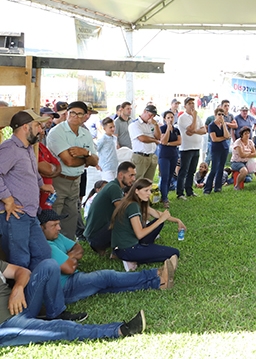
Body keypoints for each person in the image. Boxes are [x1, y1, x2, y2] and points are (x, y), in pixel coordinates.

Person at [40, 209, 175, 304]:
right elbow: (69, 268)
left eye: (58, 224)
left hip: (72, 278)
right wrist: (70, 260)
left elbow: (79, 249)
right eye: (53, 225)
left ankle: (158, 283)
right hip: (66, 287)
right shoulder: (46, 246)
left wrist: (67, 258)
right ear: (41, 228)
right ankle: (155, 273)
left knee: (107, 286)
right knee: (107, 277)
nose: (58, 228)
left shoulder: (57, 237)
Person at [0, 258, 146, 346]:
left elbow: (21, 271)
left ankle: (55, 313)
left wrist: (18, 288)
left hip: (20, 306)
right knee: (63, 328)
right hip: (6, 325)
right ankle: (119, 330)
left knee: (49, 266)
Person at [0, 109, 56, 269]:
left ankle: (34, 292)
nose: (40, 129)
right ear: (25, 127)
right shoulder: (10, 148)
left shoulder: (28, 148)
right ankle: (19, 293)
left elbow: (32, 171)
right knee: (20, 260)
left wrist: (41, 184)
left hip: (30, 213)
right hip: (15, 215)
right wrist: (7, 199)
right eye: (37, 125)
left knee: (43, 253)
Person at [46, 101, 99, 240]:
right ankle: (52, 252)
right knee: (53, 217)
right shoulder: (57, 132)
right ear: (66, 114)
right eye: (72, 113)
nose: (75, 116)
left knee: (71, 217)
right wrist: (86, 159)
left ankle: (68, 250)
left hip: (76, 180)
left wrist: (85, 152)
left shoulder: (85, 133)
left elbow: (95, 161)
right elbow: (68, 161)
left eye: (79, 114)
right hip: (58, 180)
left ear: (85, 116)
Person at [110, 178, 182, 269]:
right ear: (136, 191)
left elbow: (159, 214)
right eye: (146, 190)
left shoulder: (135, 202)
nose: (149, 193)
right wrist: (161, 219)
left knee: (158, 221)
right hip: (128, 249)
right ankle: (132, 259)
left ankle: (144, 251)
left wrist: (177, 220)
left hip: (126, 245)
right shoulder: (133, 206)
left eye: (150, 190)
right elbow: (140, 234)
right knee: (175, 252)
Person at [84, 162, 138, 254]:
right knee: (127, 220)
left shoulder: (114, 186)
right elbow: (124, 211)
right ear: (121, 175)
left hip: (93, 235)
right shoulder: (114, 188)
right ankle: (120, 251)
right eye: (131, 175)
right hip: (95, 237)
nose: (133, 179)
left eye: (134, 175)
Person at [176, 97, 205, 200]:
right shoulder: (183, 117)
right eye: (189, 103)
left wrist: (194, 131)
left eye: (193, 103)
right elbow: (191, 128)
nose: (192, 105)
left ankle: (189, 190)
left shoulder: (198, 117)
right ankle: (180, 193)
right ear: (185, 106)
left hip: (196, 147)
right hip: (186, 148)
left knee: (192, 170)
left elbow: (204, 130)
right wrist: (194, 117)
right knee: (184, 170)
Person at [156, 111, 181, 208]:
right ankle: (165, 198)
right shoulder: (162, 129)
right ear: (165, 119)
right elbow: (163, 141)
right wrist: (168, 130)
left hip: (173, 155)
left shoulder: (176, 130)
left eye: (172, 117)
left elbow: (179, 141)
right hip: (164, 156)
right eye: (168, 117)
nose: (170, 119)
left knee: (170, 176)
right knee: (164, 177)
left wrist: (170, 144)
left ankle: (165, 195)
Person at [205, 108, 231, 194]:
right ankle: (207, 188)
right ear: (215, 115)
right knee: (214, 168)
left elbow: (227, 135)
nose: (221, 116)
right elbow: (214, 139)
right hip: (216, 149)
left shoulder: (223, 125)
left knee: (221, 168)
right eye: (219, 114)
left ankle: (218, 187)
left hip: (224, 148)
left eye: (222, 115)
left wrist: (223, 123)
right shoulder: (211, 125)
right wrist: (224, 137)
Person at [96, 117, 119, 182]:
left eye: (113, 126)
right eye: (110, 127)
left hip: (115, 166)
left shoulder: (114, 138)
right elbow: (95, 149)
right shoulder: (103, 139)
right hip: (106, 167)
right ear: (104, 128)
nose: (113, 129)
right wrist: (96, 164)